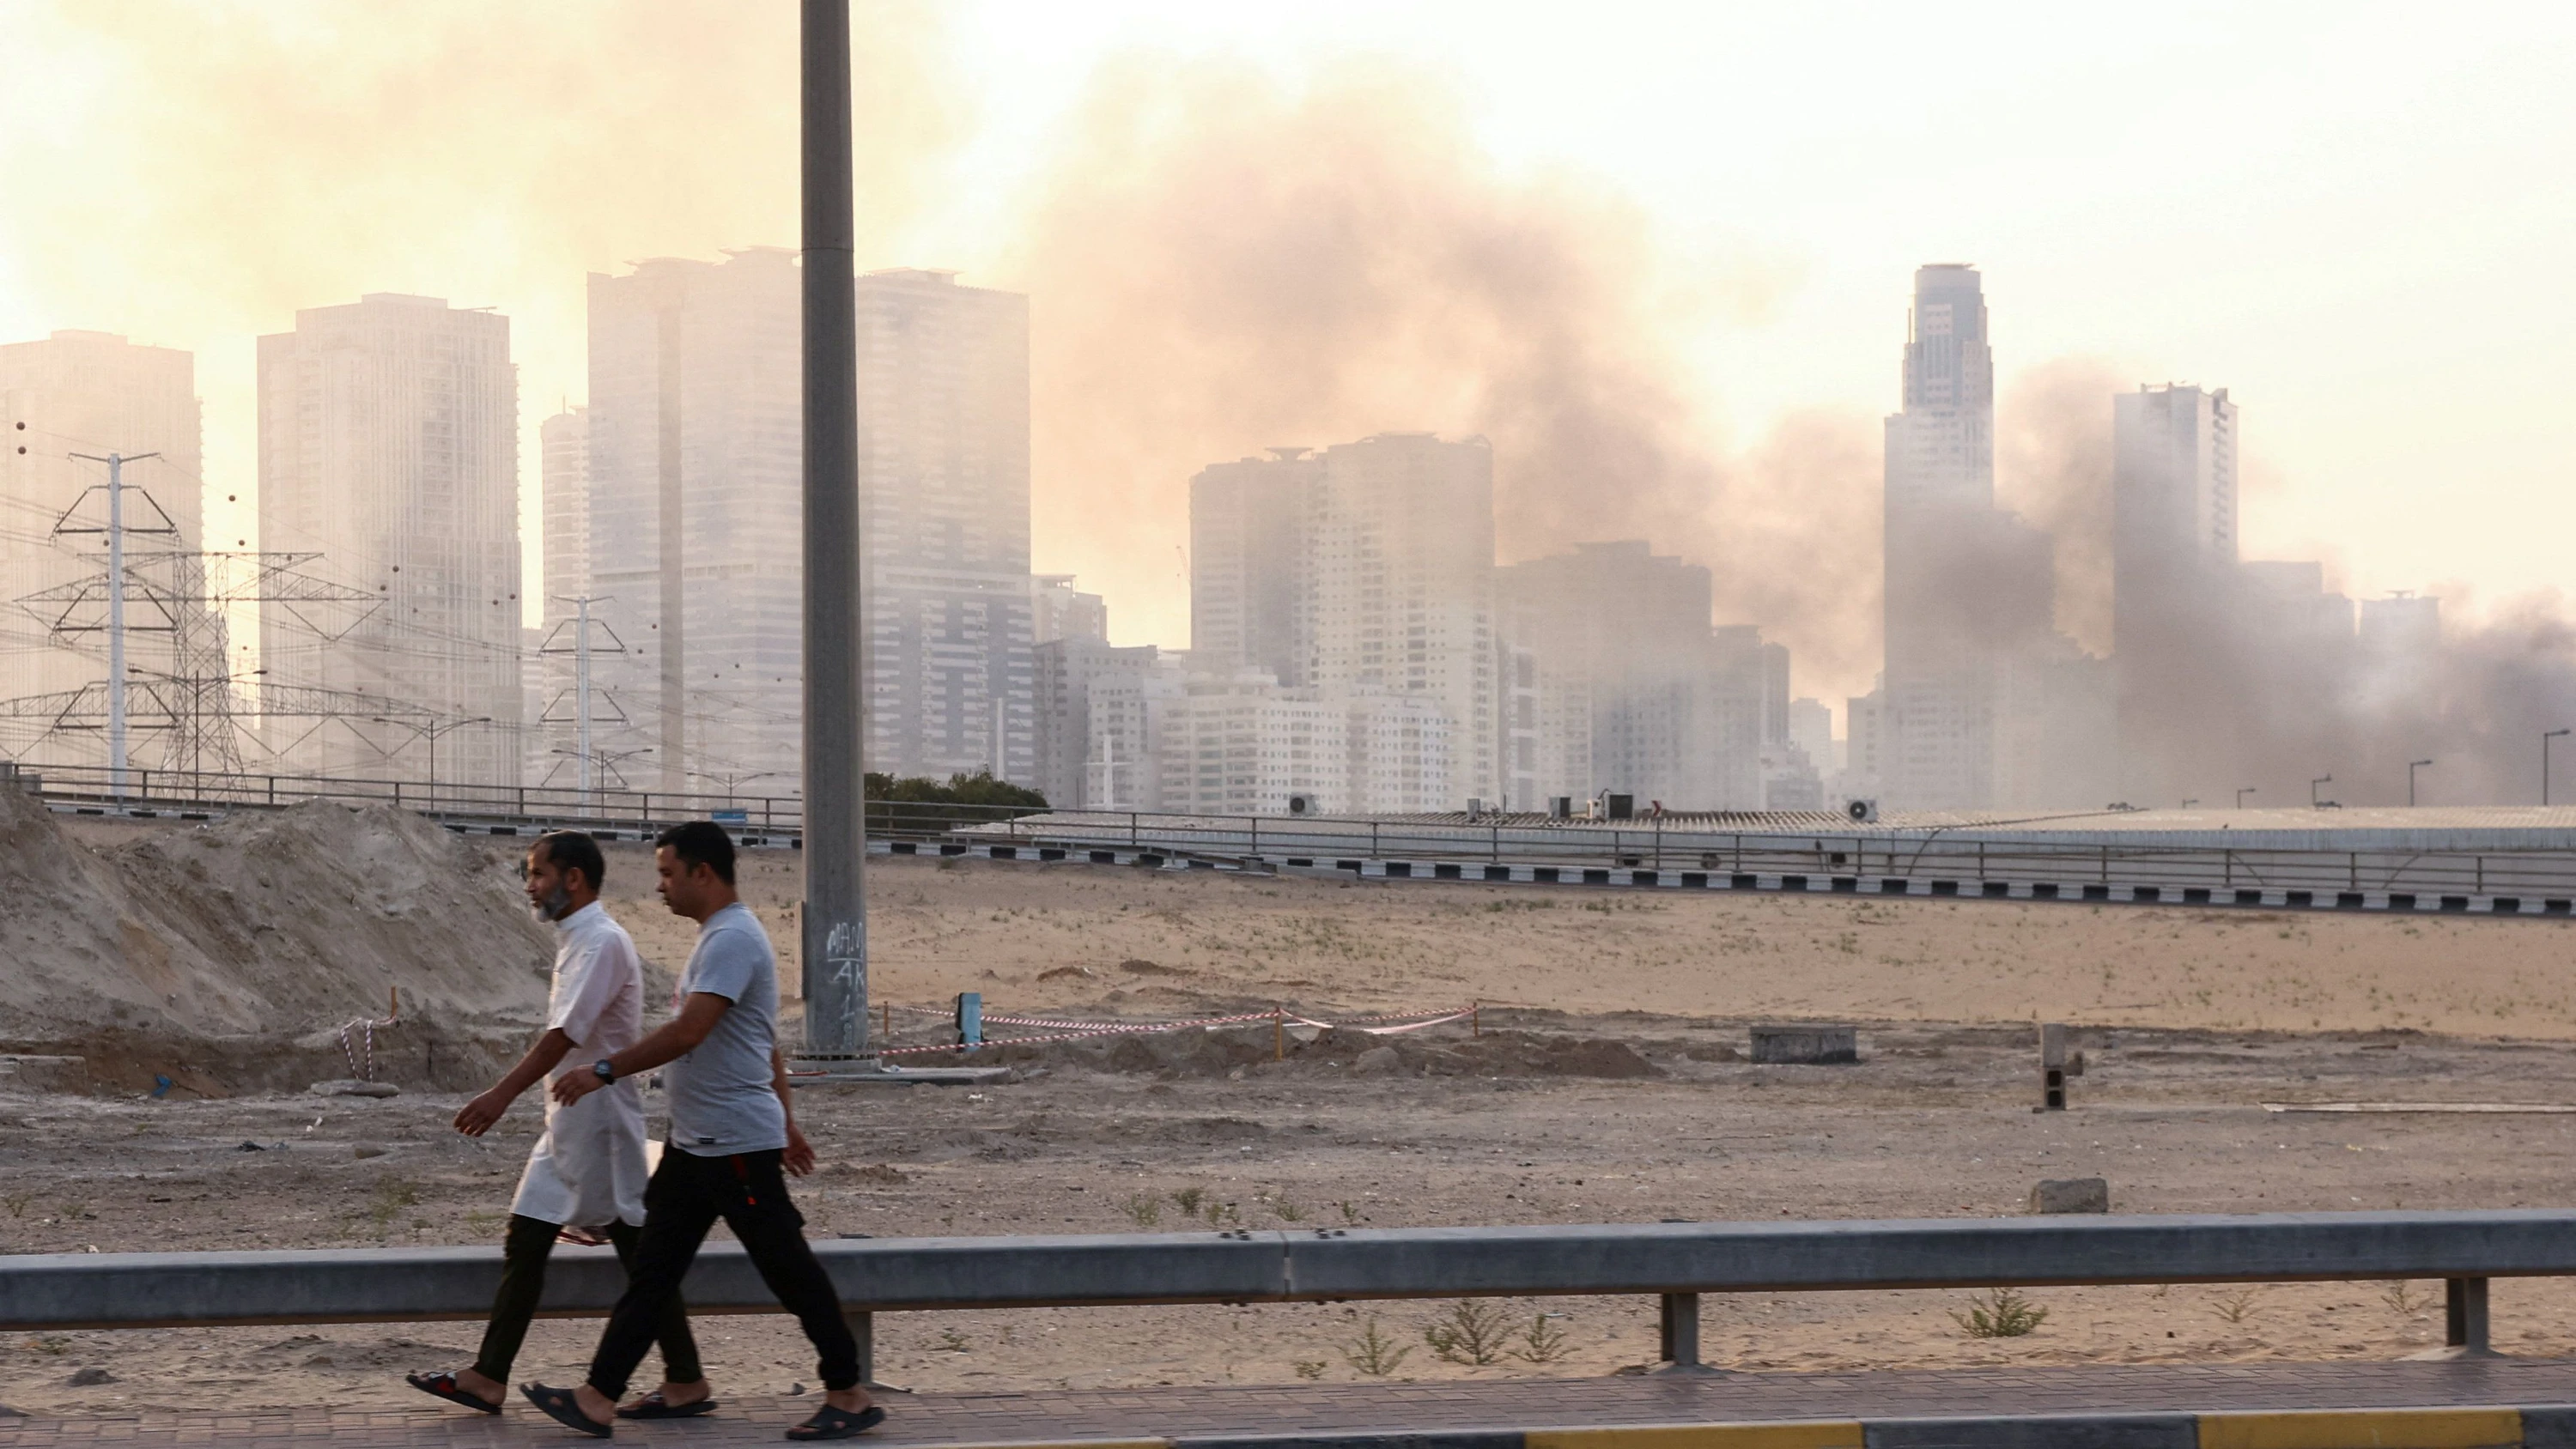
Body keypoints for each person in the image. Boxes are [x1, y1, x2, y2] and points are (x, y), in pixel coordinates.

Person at [522, 821, 880, 1441]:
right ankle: (606, 1396)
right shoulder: (718, 938)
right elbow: (762, 1041)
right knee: (653, 1273)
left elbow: (690, 1032)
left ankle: (848, 1392)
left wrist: (603, 1069)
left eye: (667, 873)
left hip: (734, 1147)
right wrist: (789, 1122)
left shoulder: (732, 940)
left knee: (788, 1271)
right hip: (699, 1146)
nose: (660, 886)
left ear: (702, 873)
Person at [407, 830, 714, 1421]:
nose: (530, 885)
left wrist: (500, 1095)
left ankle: (684, 1378)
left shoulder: (600, 942)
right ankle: (490, 1376)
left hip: (599, 1123)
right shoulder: (579, 939)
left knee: (634, 1251)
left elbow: (563, 1038)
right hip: (572, 1122)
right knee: (532, 1241)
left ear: (573, 879)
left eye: (538, 874)